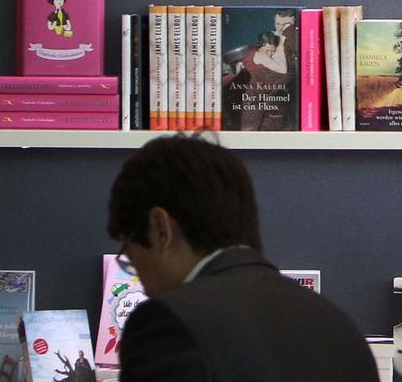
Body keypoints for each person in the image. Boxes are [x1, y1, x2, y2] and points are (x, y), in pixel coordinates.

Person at [108, 135, 378, 381]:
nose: (142, 283)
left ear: (160, 229)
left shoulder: (169, 323)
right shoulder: (340, 328)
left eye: (131, 259)